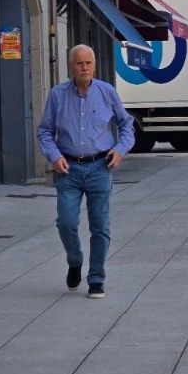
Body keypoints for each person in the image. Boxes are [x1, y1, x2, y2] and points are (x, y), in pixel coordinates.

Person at [37, 45, 134, 299]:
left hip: (100, 166)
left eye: (89, 63)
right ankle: (75, 259)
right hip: (67, 168)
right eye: (80, 63)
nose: (85, 68)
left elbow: (126, 124)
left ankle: (96, 278)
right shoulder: (57, 95)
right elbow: (45, 131)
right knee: (66, 223)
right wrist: (54, 156)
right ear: (72, 66)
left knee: (100, 226)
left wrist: (120, 149)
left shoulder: (106, 92)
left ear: (94, 65)